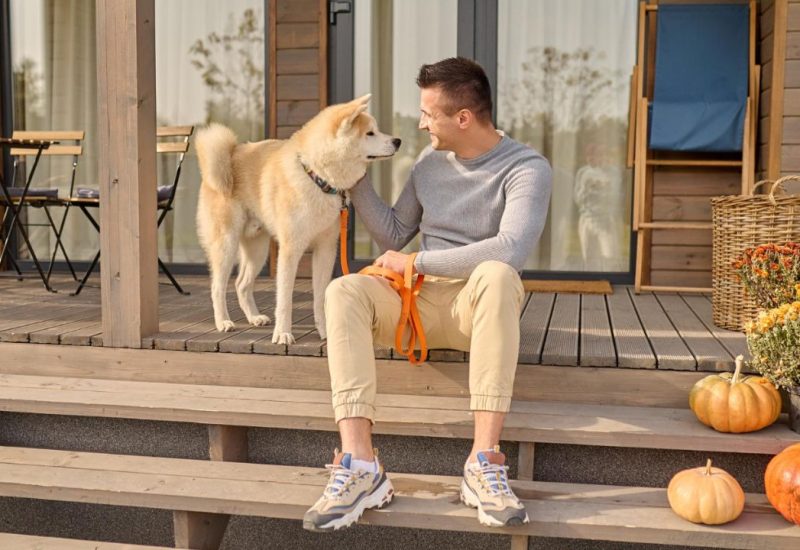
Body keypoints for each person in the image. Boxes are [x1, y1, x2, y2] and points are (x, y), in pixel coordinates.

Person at [303, 57, 552, 532]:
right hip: (416, 303)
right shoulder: (428, 164)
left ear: (463, 118)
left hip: (475, 306)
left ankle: (483, 463)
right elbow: (395, 233)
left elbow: (510, 248)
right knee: (343, 291)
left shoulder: (526, 168)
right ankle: (360, 466)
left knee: (499, 274)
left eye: (427, 114)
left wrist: (417, 262)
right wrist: (354, 181)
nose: (419, 123)